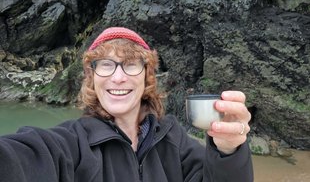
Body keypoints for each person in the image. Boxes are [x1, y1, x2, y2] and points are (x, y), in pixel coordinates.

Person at [0, 27, 253, 182]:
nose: (118, 76)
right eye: (105, 65)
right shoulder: (69, 145)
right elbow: (17, 159)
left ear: (147, 76)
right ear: (92, 77)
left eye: (131, 64)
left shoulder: (173, 140)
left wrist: (228, 151)